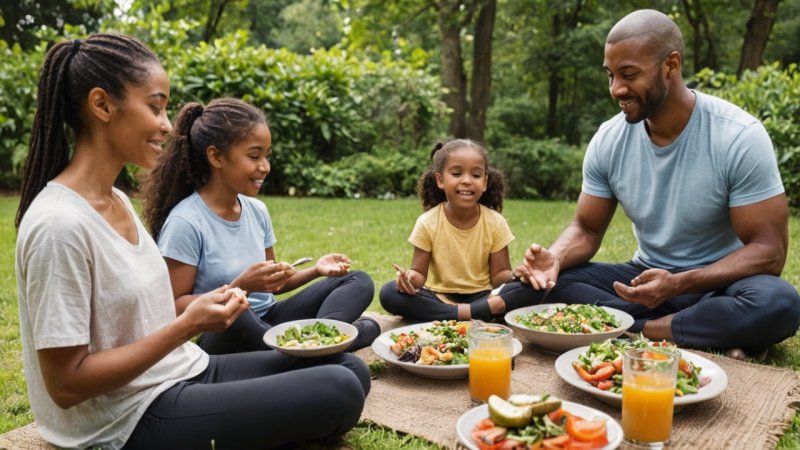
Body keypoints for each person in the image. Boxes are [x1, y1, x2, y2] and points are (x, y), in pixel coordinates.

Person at [15, 33, 369, 450]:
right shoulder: (59, 223)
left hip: (177, 369)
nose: (167, 124)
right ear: (102, 105)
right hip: (126, 415)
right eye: (155, 107)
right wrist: (187, 325)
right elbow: (67, 385)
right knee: (337, 389)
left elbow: (148, 311)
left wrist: (204, 310)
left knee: (351, 370)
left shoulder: (118, 202)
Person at [518, 9, 800, 359]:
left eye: (629, 74)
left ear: (671, 65)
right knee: (549, 283)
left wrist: (681, 282)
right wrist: (555, 258)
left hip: (718, 282)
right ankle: (699, 330)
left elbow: (770, 252)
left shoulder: (738, 136)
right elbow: (586, 229)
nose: (616, 89)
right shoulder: (609, 139)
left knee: (779, 303)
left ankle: (633, 328)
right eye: (610, 75)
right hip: (644, 277)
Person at [139, 98, 380, 354]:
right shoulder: (186, 222)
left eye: (266, 156)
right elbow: (172, 307)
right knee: (239, 307)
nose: (265, 167)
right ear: (216, 156)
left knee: (358, 280)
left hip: (271, 319)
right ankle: (318, 347)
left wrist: (317, 270)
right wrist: (240, 287)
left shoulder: (256, 210)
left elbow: (273, 286)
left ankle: (309, 348)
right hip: (227, 330)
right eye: (254, 156)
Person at [379, 139, 551, 322]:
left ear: (484, 182)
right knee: (389, 293)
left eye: (476, 175)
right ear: (440, 180)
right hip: (439, 297)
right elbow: (419, 275)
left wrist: (518, 274)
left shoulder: (495, 222)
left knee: (536, 287)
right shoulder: (427, 222)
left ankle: (453, 314)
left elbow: (499, 276)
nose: (467, 181)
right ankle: (476, 313)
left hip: (484, 296)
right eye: (456, 173)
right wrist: (409, 279)